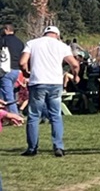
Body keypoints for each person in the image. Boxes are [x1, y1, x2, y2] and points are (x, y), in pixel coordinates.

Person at [20, 26, 79, 157]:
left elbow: (23, 62)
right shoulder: (62, 46)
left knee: (34, 115)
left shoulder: (32, 43)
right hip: (55, 83)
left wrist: (26, 73)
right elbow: (74, 64)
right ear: (57, 35)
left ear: (44, 33)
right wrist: (75, 76)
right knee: (56, 115)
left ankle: (32, 148)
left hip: (37, 82)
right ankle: (58, 146)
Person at [1, 24, 26, 115]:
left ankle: (14, 115)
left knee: (8, 95)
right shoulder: (19, 42)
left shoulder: (3, 40)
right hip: (16, 70)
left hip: (5, 70)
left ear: (6, 29)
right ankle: (5, 115)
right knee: (8, 92)